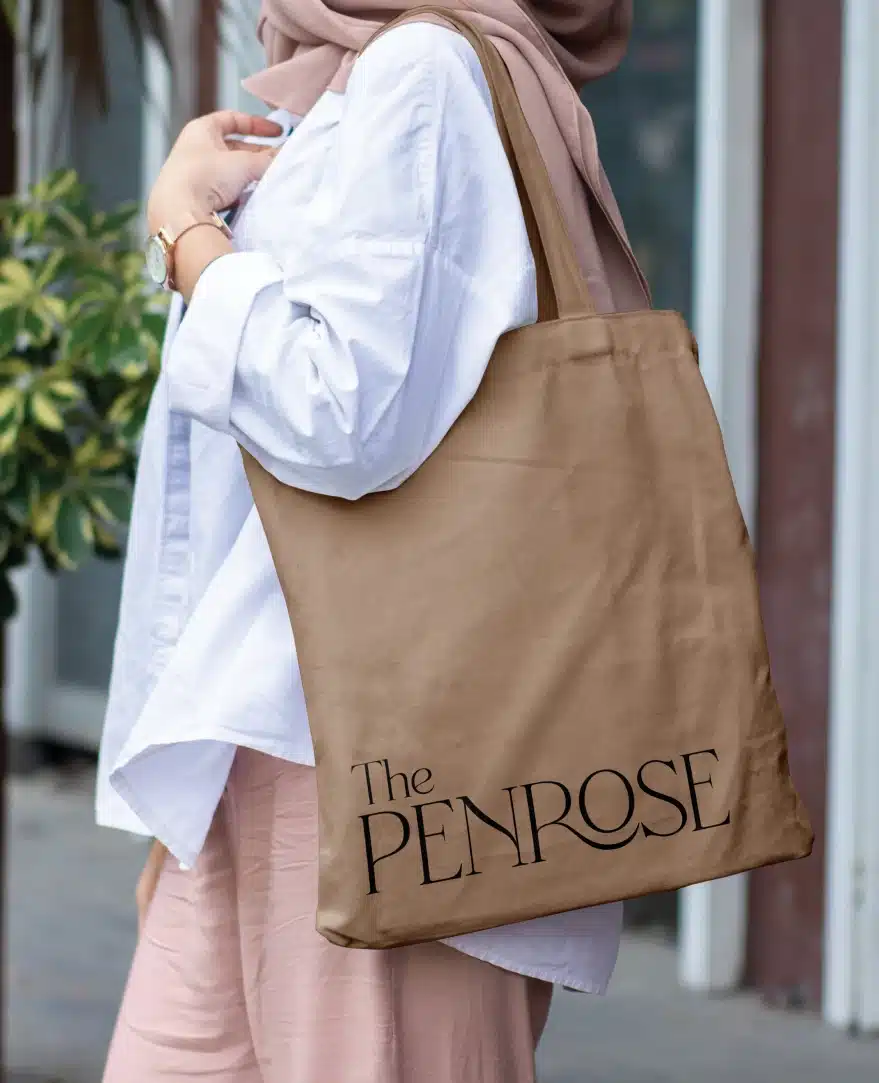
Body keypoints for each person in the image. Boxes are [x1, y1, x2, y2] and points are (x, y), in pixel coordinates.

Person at [97, 1, 649, 1080]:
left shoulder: (426, 69)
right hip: (263, 735)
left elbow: (341, 415)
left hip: (378, 769)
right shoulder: (357, 78)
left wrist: (186, 232)